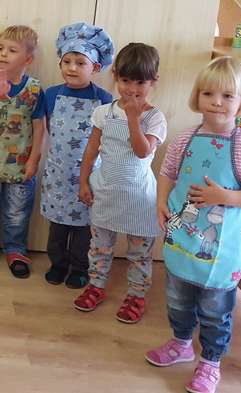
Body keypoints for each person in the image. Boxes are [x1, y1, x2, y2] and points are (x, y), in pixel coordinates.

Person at [147, 56, 241, 393]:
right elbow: (167, 173)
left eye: (227, 96)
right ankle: (181, 344)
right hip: (181, 238)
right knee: (178, 299)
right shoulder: (184, 138)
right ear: (197, 96)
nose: (216, 102)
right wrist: (161, 202)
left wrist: (224, 196)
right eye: (208, 94)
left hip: (221, 248)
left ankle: (211, 362)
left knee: (216, 310)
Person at [75, 42, 166, 323]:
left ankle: (136, 295)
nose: (132, 89)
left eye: (141, 82)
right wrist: (83, 181)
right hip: (105, 191)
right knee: (99, 247)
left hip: (140, 198)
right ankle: (96, 285)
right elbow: (92, 149)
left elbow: (143, 151)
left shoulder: (155, 117)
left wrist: (133, 119)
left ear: (153, 81)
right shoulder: (104, 112)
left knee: (139, 253)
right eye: (126, 81)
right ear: (115, 76)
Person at [41, 23, 114, 288]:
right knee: (57, 227)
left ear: (95, 67)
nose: (72, 68)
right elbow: (46, 128)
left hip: (90, 175)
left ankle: (81, 267)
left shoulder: (104, 99)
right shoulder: (51, 94)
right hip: (58, 174)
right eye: (67, 61)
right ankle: (58, 264)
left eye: (80, 63)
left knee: (85, 228)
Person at [0, 25, 46, 279]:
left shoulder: (35, 90)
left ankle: (16, 250)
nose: (3, 54)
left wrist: (34, 160)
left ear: (28, 60)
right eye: (1, 48)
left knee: (17, 212)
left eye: (12, 50)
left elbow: (40, 128)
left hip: (20, 164)